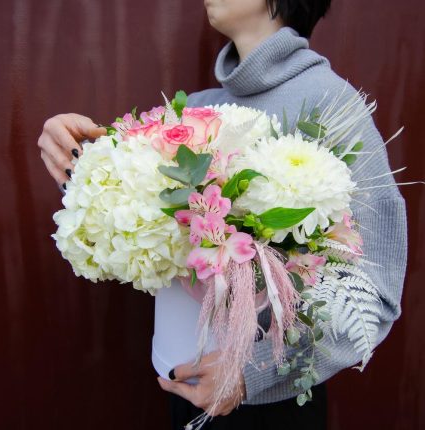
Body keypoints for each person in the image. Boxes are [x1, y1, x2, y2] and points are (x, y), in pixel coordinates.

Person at [38, 1, 407, 429]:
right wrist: (80, 163)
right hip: (180, 383)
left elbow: (375, 293)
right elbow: (139, 218)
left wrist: (253, 374)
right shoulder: (195, 109)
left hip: (270, 408)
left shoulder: (332, 105)